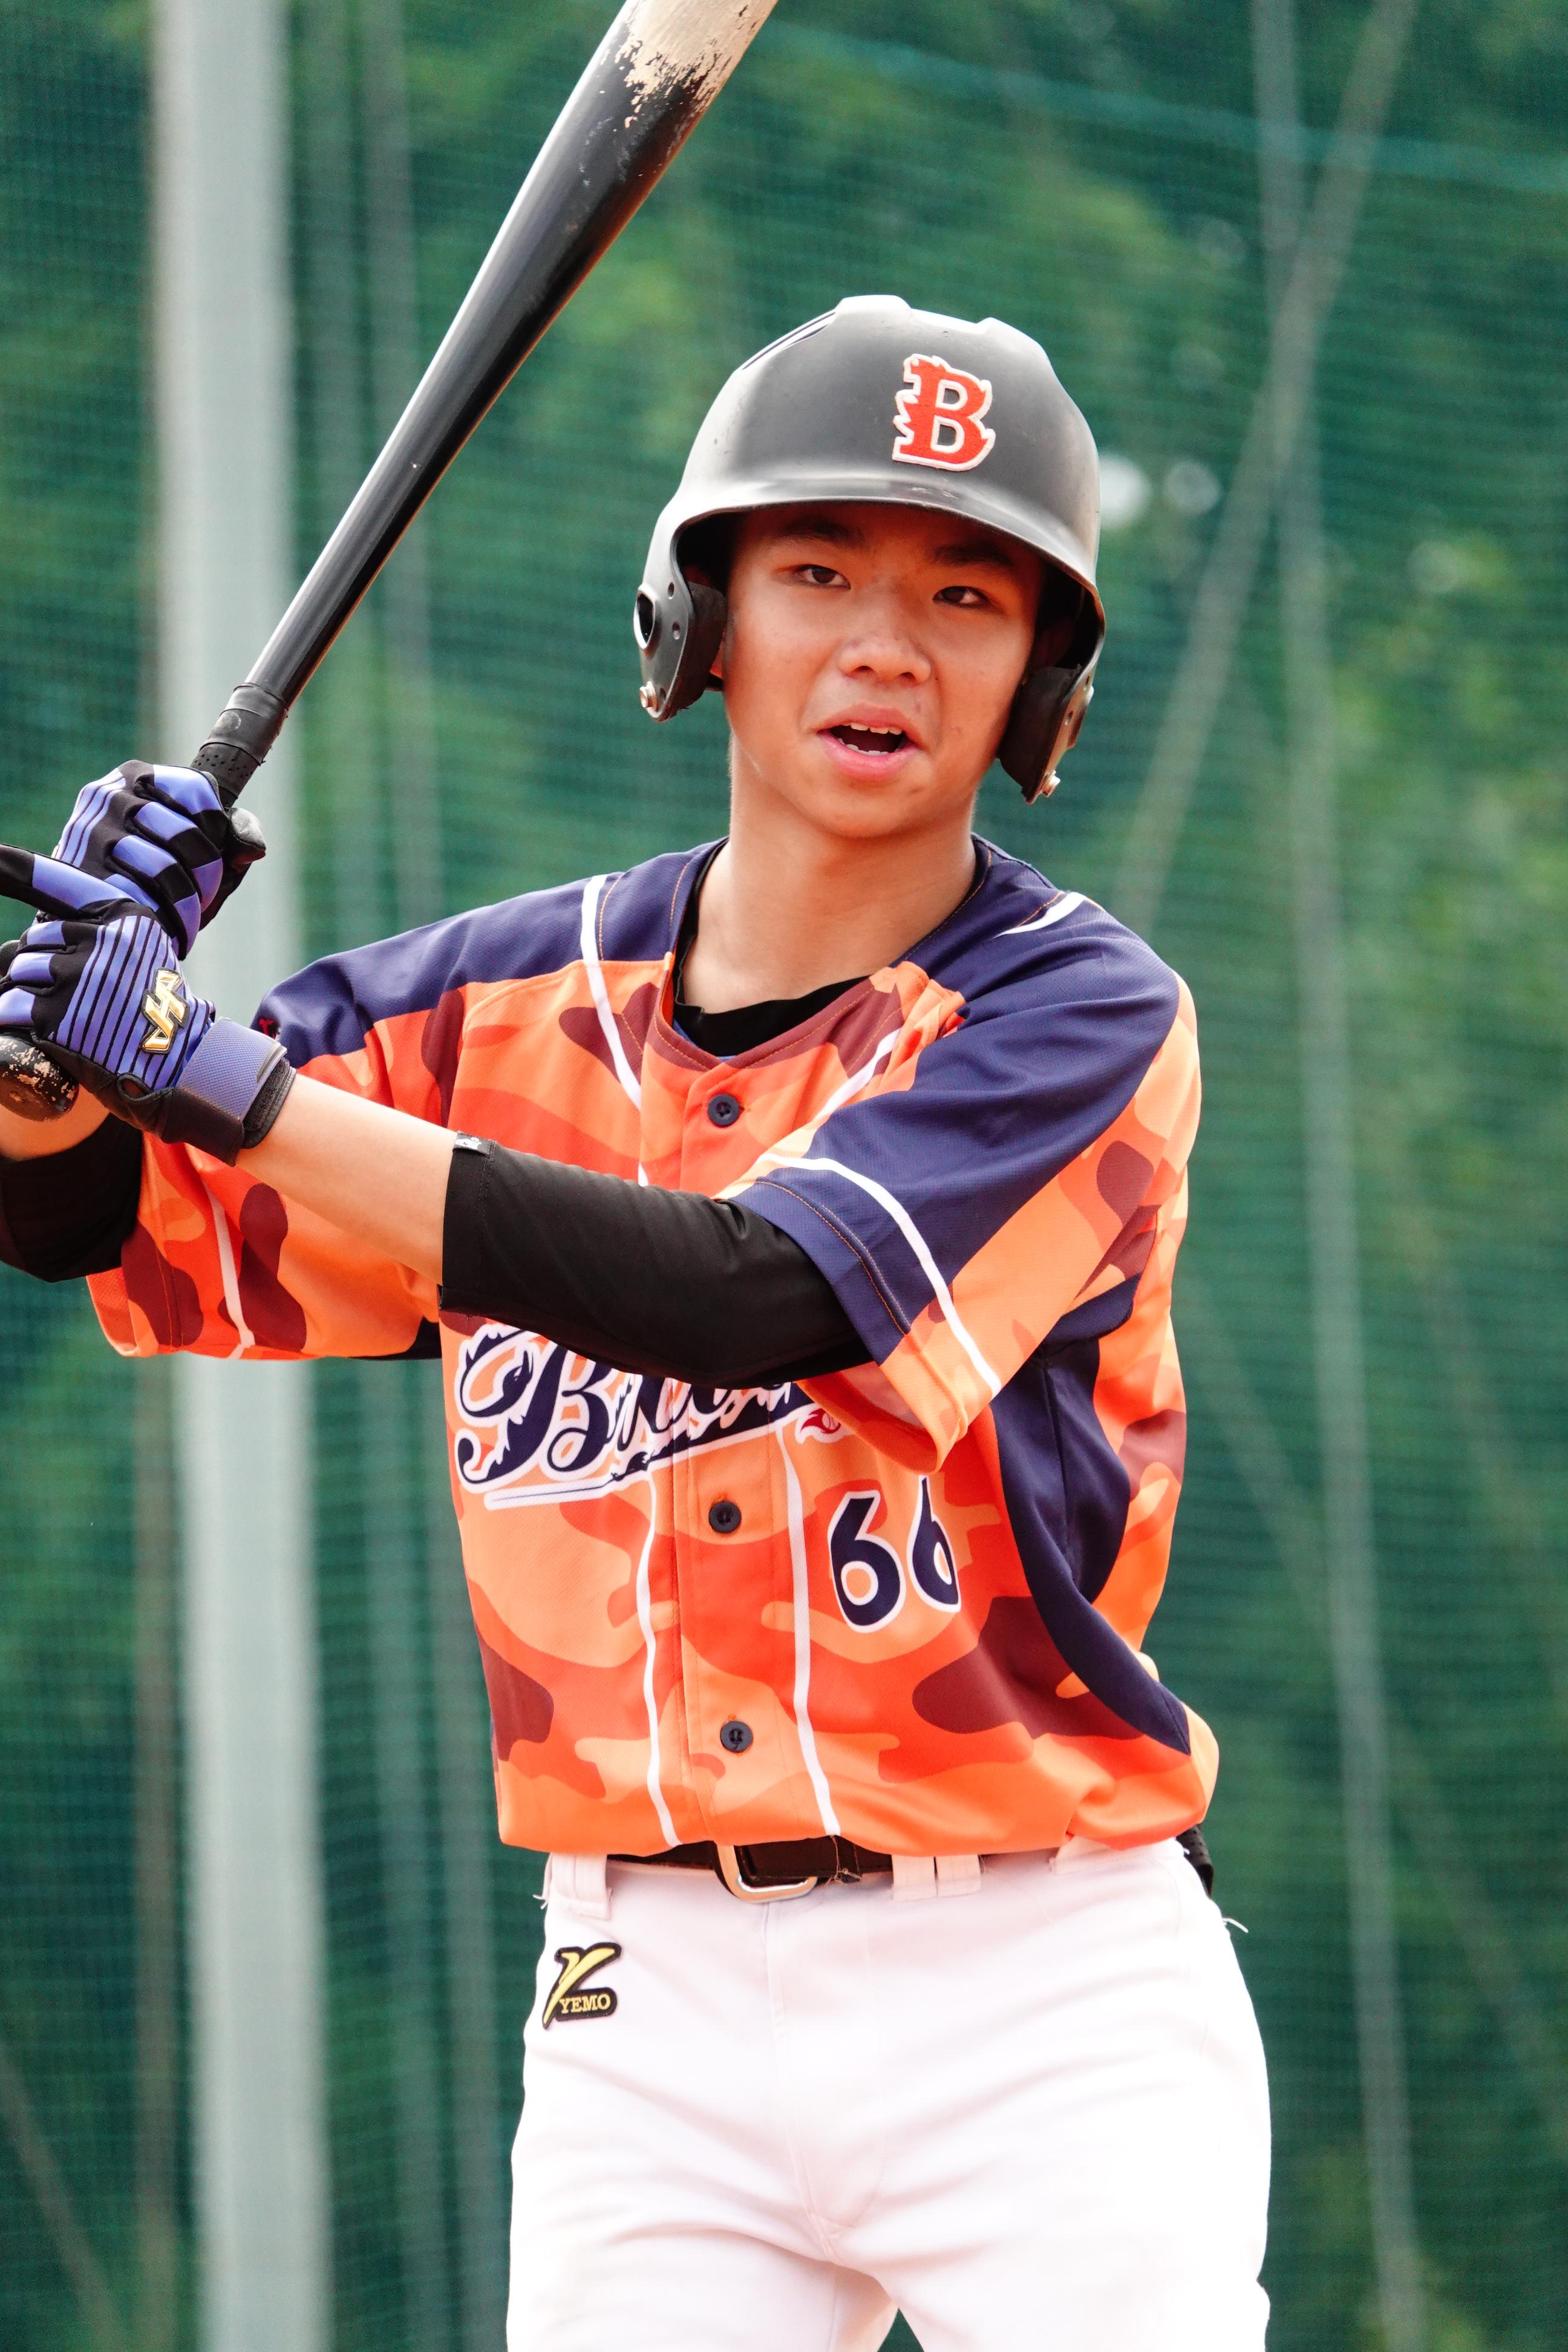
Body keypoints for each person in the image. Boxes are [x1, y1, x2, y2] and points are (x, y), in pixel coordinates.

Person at [0, 295, 1270, 2350]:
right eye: (820, 571)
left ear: (1040, 678)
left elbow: (762, 1296)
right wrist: (52, 1050)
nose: (887, 643)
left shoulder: (1080, 1014)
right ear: (705, 624)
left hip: (1039, 1989)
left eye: (967, 594)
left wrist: (212, 1071)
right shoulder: (478, 1010)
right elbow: (95, 1221)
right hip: (642, 2010)